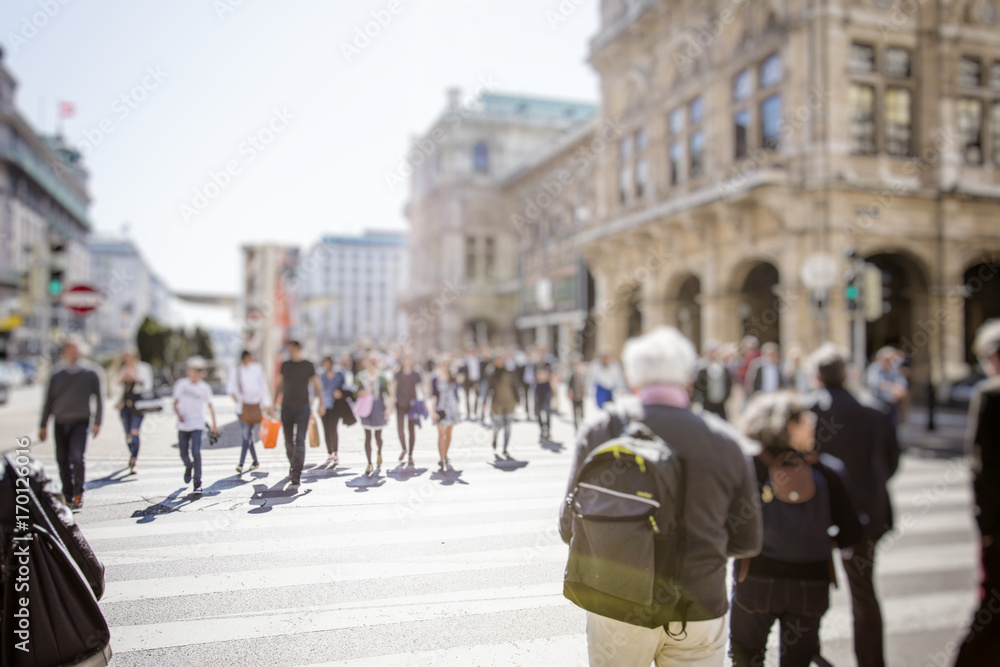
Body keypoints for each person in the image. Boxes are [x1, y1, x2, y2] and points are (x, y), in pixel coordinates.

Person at [562, 326, 762, 666]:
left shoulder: (602, 430)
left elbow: (569, 527)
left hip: (618, 600)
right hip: (699, 603)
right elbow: (747, 539)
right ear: (687, 377)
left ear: (632, 377)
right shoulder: (725, 442)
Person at [730, 391, 864, 667]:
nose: (812, 422)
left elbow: (727, 524)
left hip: (756, 579)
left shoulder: (748, 468)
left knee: (746, 656)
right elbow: (853, 533)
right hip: (810, 585)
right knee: (798, 660)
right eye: (805, 418)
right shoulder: (827, 471)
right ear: (788, 426)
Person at [808, 343, 900, 667]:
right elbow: (891, 464)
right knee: (863, 594)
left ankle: (808, 653)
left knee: (809, 593)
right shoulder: (875, 411)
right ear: (847, 374)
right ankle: (871, 661)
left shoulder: (809, 413)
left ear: (816, 377)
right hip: (865, 515)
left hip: (816, 515)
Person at [954, 319, 1000, 666]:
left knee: (991, 602)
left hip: (998, 524)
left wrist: (985, 527)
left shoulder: (990, 394)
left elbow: (981, 466)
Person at [38, 338, 103, 510]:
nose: (73, 353)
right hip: (60, 422)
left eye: (76, 349)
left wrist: (98, 422)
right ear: (64, 352)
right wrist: (43, 425)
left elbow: (99, 399)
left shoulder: (91, 374)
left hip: (80, 423)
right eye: (70, 349)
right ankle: (67, 495)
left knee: (76, 457)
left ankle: (78, 493)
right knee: (62, 459)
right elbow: (48, 401)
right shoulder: (56, 375)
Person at [272, 340, 325, 486]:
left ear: (297, 348)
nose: (288, 350)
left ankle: (296, 473)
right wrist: (273, 403)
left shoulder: (308, 364)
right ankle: (293, 464)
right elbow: (279, 383)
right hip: (286, 407)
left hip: (303, 407)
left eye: (290, 347)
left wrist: (322, 403)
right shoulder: (285, 365)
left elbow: (317, 384)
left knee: (300, 440)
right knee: (288, 440)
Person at [172, 356, 219, 498]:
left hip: (197, 424)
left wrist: (214, 425)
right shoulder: (181, 385)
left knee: (196, 451)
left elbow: (210, 406)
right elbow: (175, 402)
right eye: (193, 370)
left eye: (198, 371)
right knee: (183, 453)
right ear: (188, 371)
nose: (195, 374)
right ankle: (188, 466)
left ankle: (197, 482)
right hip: (183, 424)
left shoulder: (204, 388)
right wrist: (178, 414)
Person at [227, 349, 271, 474]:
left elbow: (263, 386)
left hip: (254, 406)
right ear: (245, 358)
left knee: (246, 434)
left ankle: (241, 463)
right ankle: (255, 461)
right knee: (248, 435)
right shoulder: (236, 370)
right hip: (242, 408)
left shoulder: (257, 369)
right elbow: (231, 388)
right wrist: (236, 398)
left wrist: (267, 404)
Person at [113, 347, 153, 475]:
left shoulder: (144, 368)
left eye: (129, 357)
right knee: (128, 434)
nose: (127, 360)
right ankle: (132, 453)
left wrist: (135, 377)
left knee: (135, 431)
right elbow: (114, 387)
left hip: (138, 405)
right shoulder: (122, 369)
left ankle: (134, 460)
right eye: (125, 358)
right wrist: (122, 378)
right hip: (125, 406)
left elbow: (148, 386)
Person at [355, 353, 390, 474]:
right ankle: (369, 462)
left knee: (378, 436)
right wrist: (364, 392)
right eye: (370, 361)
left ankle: (379, 452)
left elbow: (387, 392)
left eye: (375, 362)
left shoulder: (382, 377)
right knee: (367, 436)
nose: (372, 364)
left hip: (379, 407)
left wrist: (389, 408)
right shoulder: (361, 376)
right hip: (366, 409)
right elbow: (355, 393)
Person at [317, 355, 352, 465]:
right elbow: (316, 390)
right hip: (324, 406)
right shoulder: (320, 375)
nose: (326, 365)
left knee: (333, 429)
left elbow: (346, 386)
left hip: (335, 406)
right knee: (326, 430)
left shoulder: (339, 374)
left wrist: (340, 392)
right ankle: (329, 452)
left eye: (328, 363)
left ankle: (336, 452)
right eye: (324, 363)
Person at [486, 350, 519, 458]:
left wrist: (518, 399)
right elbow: (488, 389)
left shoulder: (509, 372)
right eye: (497, 360)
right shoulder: (491, 373)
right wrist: (485, 402)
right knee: (497, 426)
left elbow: (515, 386)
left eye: (501, 360)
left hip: (509, 402)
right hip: (497, 403)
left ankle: (505, 447)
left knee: (508, 426)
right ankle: (495, 438)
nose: (500, 362)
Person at [430, 358, 461, 471]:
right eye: (442, 364)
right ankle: (441, 458)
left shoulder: (453, 378)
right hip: (440, 408)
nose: (444, 367)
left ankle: (445, 454)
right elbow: (433, 395)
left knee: (448, 434)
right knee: (441, 434)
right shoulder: (435, 379)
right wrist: (432, 410)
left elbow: (460, 382)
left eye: (446, 364)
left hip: (452, 409)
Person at [392, 354, 422, 465]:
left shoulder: (416, 374)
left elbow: (422, 387)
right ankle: (404, 448)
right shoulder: (398, 374)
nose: (407, 360)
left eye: (409, 358)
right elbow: (393, 390)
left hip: (412, 406)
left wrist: (425, 403)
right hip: (400, 404)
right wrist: (389, 406)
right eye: (405, 358)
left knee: (411, 430)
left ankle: (410, 454)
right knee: (400, 429)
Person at [866, 346, 908, 426]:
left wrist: (899, 390)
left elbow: (902, 382)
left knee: (892, 425)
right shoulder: (875, 368)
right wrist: (892, 387)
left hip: (892, 403)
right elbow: (875, 383)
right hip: (878, 402)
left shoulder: (894, 369)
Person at [693, 341, 733, 420]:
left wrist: (726, 396)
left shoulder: (723, 367)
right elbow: (697, 385)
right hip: (707, 402)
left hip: (720, 401)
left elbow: (728, 383)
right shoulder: (701, 367)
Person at [535, 352, 554, 440]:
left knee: (547, 411)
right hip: (538, 391)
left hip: (547, 390)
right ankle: (542, 428)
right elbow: (538, 378)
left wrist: (543, 376)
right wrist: (543, 376)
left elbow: (548, 377)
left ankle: (548, 429)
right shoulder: (535, 365)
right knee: (538, 411)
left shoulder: (548, 365)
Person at [567, 359, 588, 432]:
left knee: (582, 414)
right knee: (575, 414)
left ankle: (583, 429)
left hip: (580, 397)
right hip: (574, 398)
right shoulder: (572, 376)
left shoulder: (582, 375)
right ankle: (577, 429)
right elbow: (569, 387)